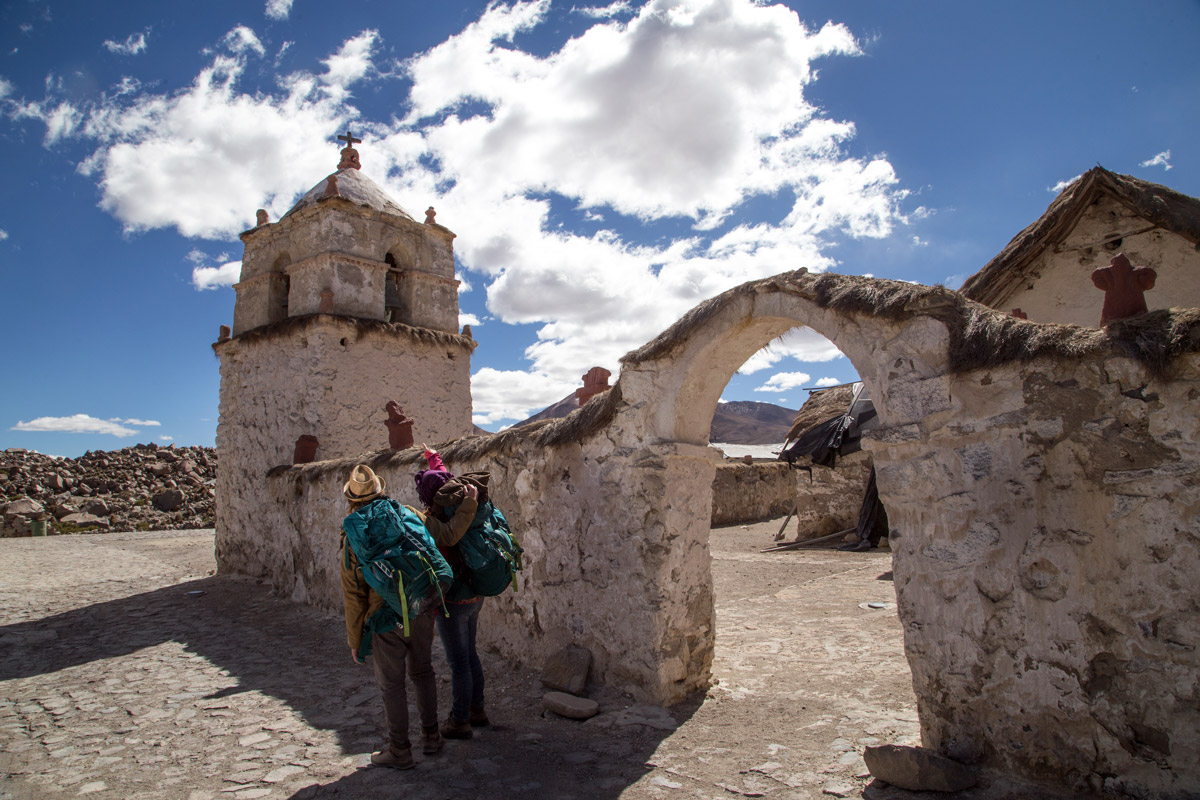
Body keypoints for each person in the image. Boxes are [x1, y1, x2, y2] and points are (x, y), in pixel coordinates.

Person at [339, 463, 478, 769]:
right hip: (421, 604)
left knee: (392, 684)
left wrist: (355, 639)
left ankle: (399, 749)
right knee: (423, 671)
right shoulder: (407, 513)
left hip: (385, 616)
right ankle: (431, 736)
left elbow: (354, 592)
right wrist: (470, 504)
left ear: (352, 498)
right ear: (380, 489)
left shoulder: (353, 534)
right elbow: (448, 535)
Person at [414, 446, 490, 740]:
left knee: (458, 662)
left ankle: (460, 720)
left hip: (451, 600)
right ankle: (477, 709)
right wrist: (434, 458)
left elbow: (449, 535)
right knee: (470, 654)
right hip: (474, 593)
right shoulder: (459, 501)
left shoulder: (433, 521)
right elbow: (443, 478)